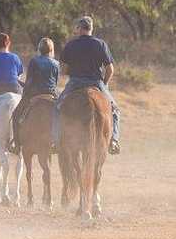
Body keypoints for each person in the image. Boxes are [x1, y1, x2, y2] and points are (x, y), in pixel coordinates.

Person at [51, 16, 121, 154]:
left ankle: (55, 141)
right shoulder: (100, 44)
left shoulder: (71, 45)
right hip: (96, 82)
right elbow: (110, 69)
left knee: (57, 107)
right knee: (115, 110)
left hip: (75, 82)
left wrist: (72, 71)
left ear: (79, 28)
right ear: (91, 28)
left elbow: (64, 70)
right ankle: (114, 140)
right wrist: (104, 84)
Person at [9, 37, 60, 153]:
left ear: (39, 49)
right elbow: (55, 83)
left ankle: (17, 144)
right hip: (51, 95)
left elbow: (29, 81)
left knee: (16, 114)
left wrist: (24, 92)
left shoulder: (34, 61)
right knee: (61, 116)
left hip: (35, 94)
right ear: (51, 49)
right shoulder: (56, 63)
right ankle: (58, 142)